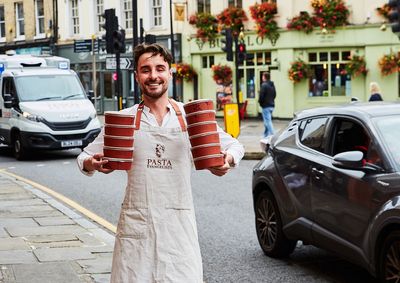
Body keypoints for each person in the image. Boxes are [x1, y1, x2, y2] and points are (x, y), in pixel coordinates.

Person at [76, 43, 244, 282]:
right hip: (136, 228)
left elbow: (235, 146)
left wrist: (227, 160)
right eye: (146, 70)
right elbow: (82, 157)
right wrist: (92, 163)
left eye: (160, 68)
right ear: (137, 76)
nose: (153, 76)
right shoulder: (123, 120)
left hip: (179, 228)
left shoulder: (190, 118)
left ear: (170, 72)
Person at [258, 71, 276, 137]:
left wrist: (260, 103)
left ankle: (273, 135)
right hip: (272, 105)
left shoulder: (264, 85)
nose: (262, 77)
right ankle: (265, 135)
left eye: (262, 76)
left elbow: (261, 96)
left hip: (266, 106)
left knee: (268, 121)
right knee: (267, 121)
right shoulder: (272, 85)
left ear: (264, 77)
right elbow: (274, 95)